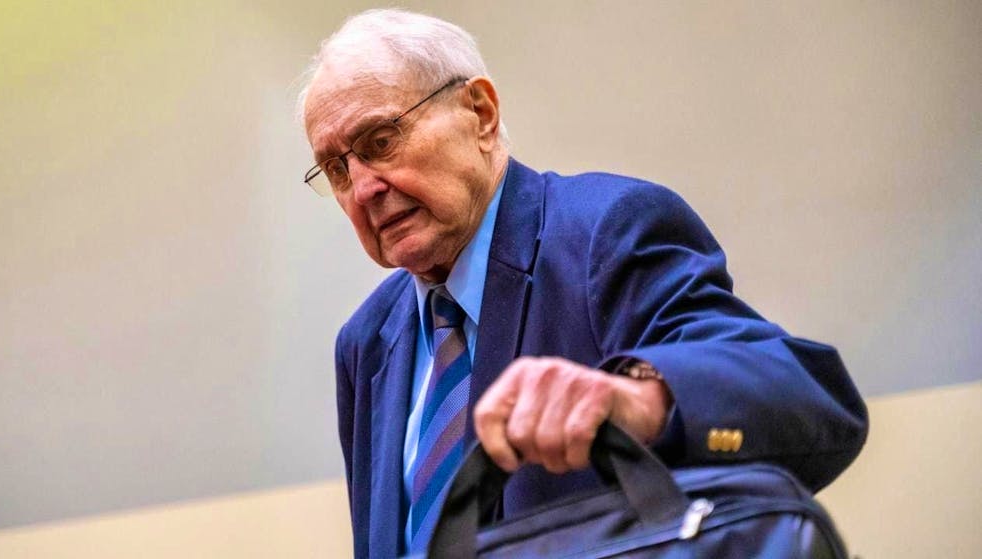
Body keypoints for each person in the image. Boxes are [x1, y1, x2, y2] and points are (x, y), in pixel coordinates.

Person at [298, 9, 867, 558]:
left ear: (481, 113)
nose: (364, 189)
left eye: (381, 141)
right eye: (339, 169)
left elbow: (812, 401)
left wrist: (641, 400)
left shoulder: (608, 232)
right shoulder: (367, 342)